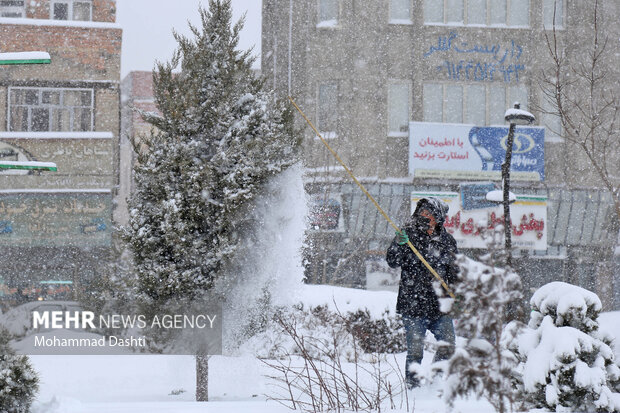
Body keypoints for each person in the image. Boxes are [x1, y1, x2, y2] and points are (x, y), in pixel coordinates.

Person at [386, 197, 459, 389]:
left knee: (448, 345)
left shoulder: (447, 242)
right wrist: (399, 245)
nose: (424, 217)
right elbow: (392, 261)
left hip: (439, 306)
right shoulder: (408, 236)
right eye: (422, 213)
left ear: (438, 218)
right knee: (415, 352)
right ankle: (413, 388)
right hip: (413, 304)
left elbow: (455, 273)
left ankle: (433, 382)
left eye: (429, 214)